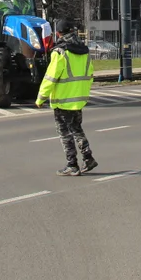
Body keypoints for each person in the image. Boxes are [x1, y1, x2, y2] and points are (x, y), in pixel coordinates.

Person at [36, 19, 98, 176]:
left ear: (58, 33)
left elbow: (50, 77)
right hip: (79, 98)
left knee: (65, 133)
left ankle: (72, 165)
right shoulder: (84, 50)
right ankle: (88, 158)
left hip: (63, 100)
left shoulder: (60, 52)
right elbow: (90, 74)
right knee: (77, 129)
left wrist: (40, 98)